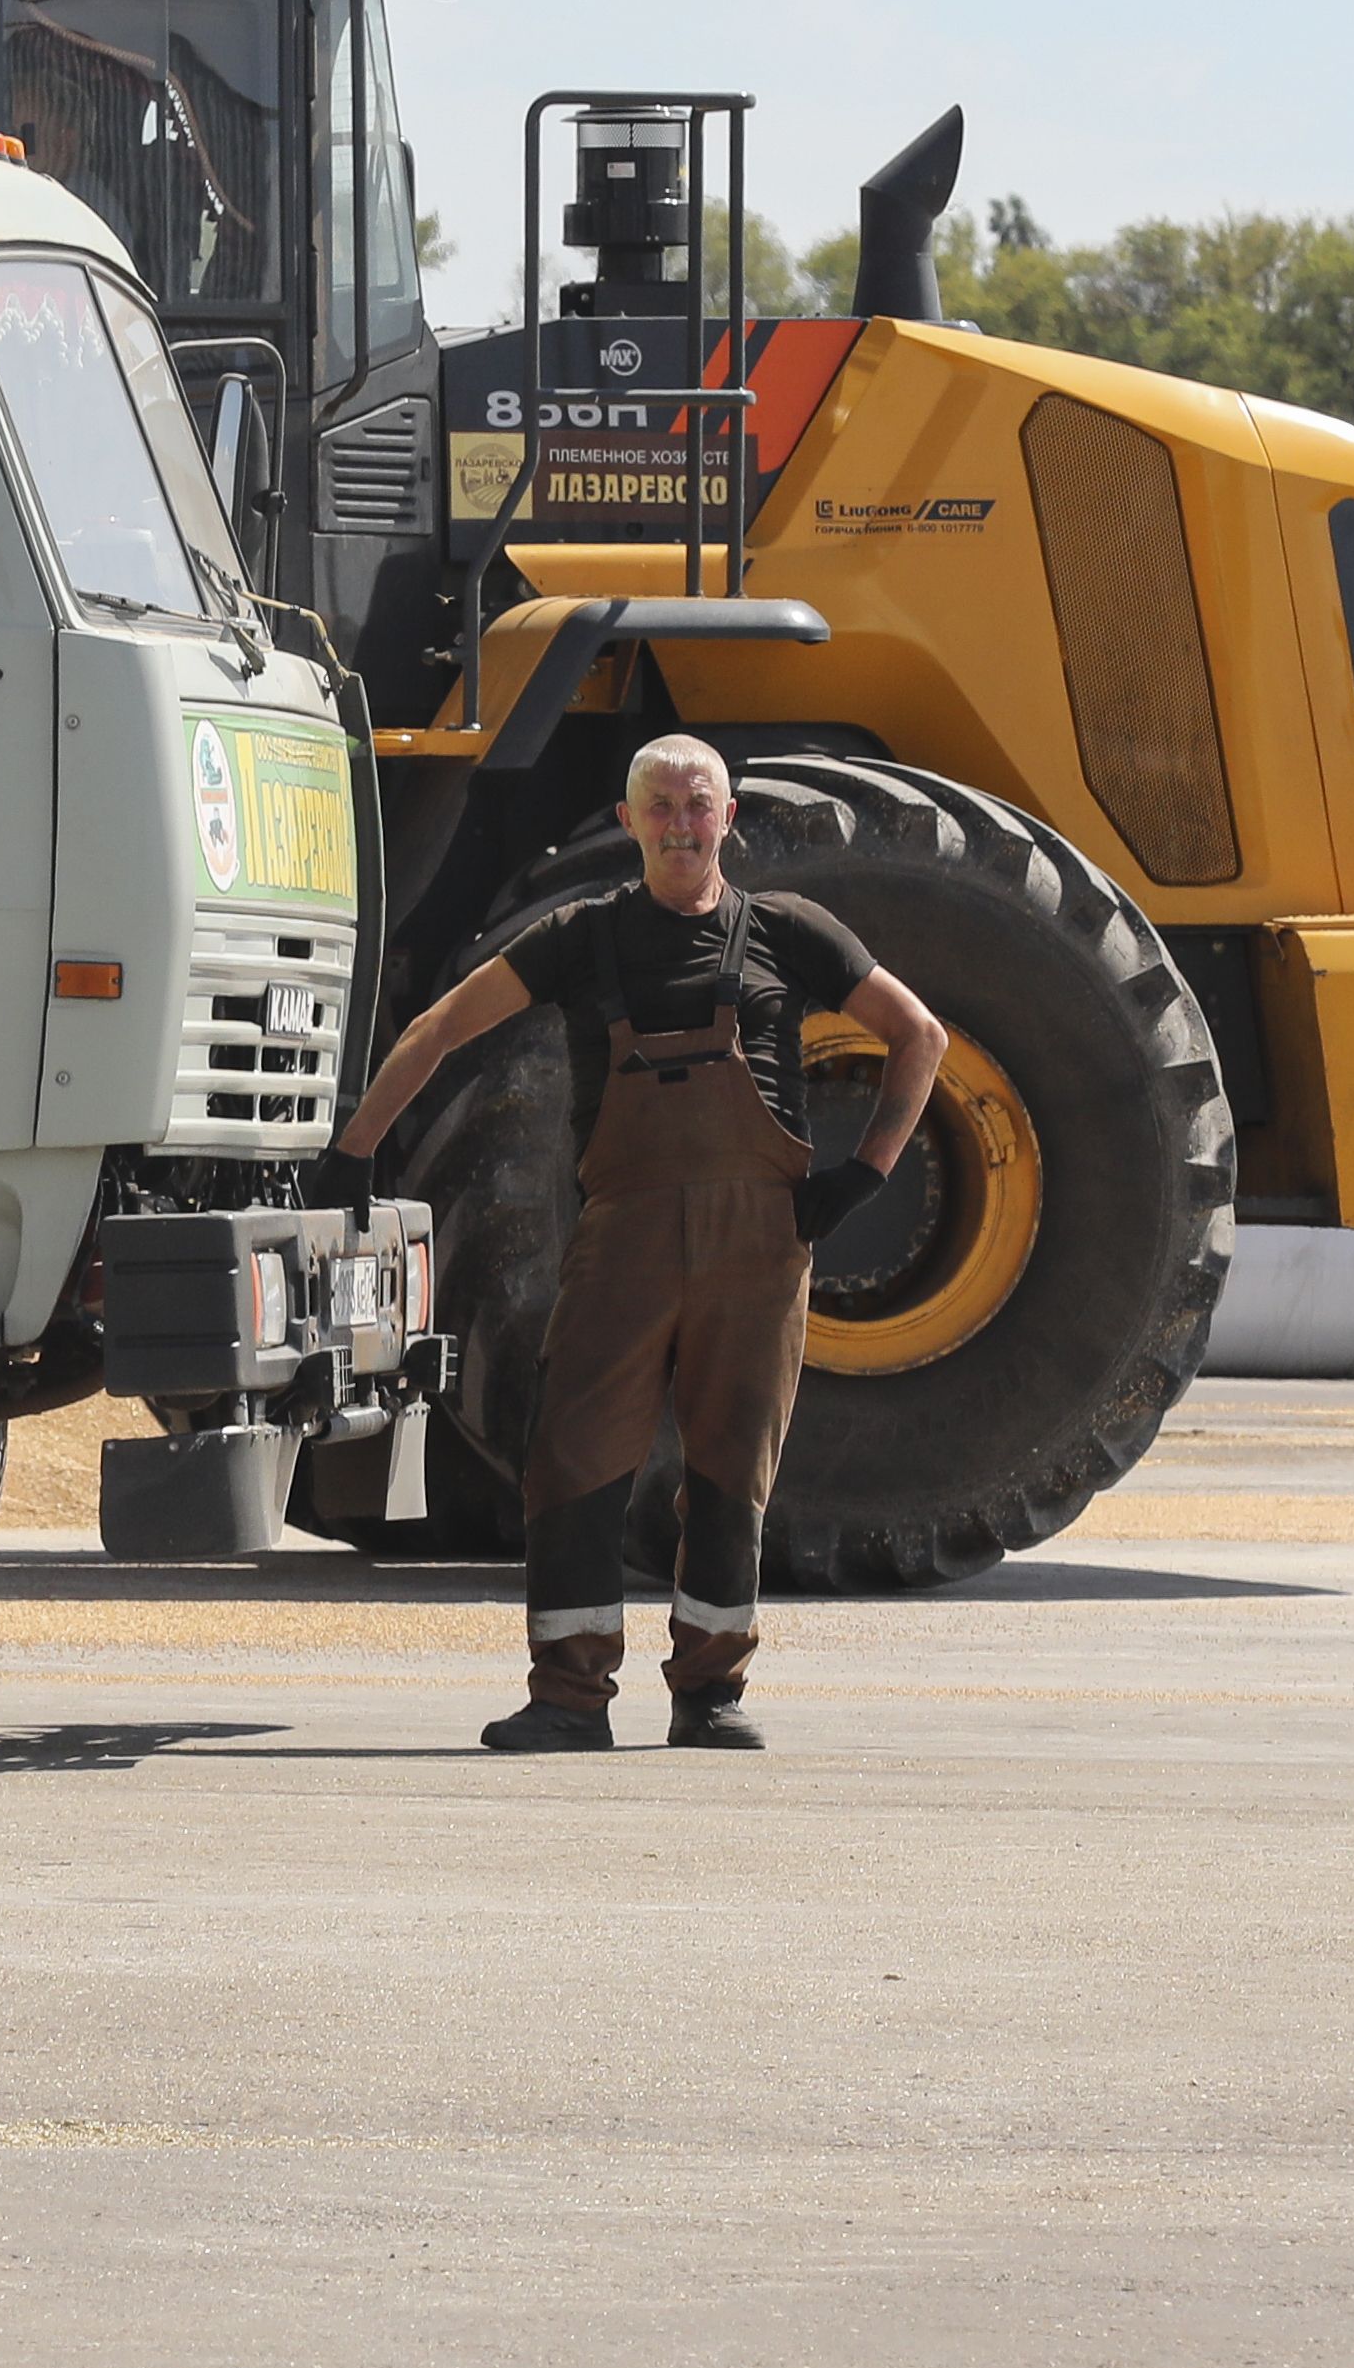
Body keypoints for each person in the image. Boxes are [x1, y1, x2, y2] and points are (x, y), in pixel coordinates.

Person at [332, 736, 944, 1751]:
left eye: (695, 805)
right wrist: (353, 1151)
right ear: (625, 822)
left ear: (727, 816)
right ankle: (568, 1697)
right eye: (656, 806)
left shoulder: (786, 933)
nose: (677, 824)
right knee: (572, 1460)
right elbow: (440, 1026)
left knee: (729, 1465)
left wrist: (864, 1174)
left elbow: (918, 1034)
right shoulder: (579, 936)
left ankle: (710, 1694)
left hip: (760, 1247)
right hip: (622, 1236)